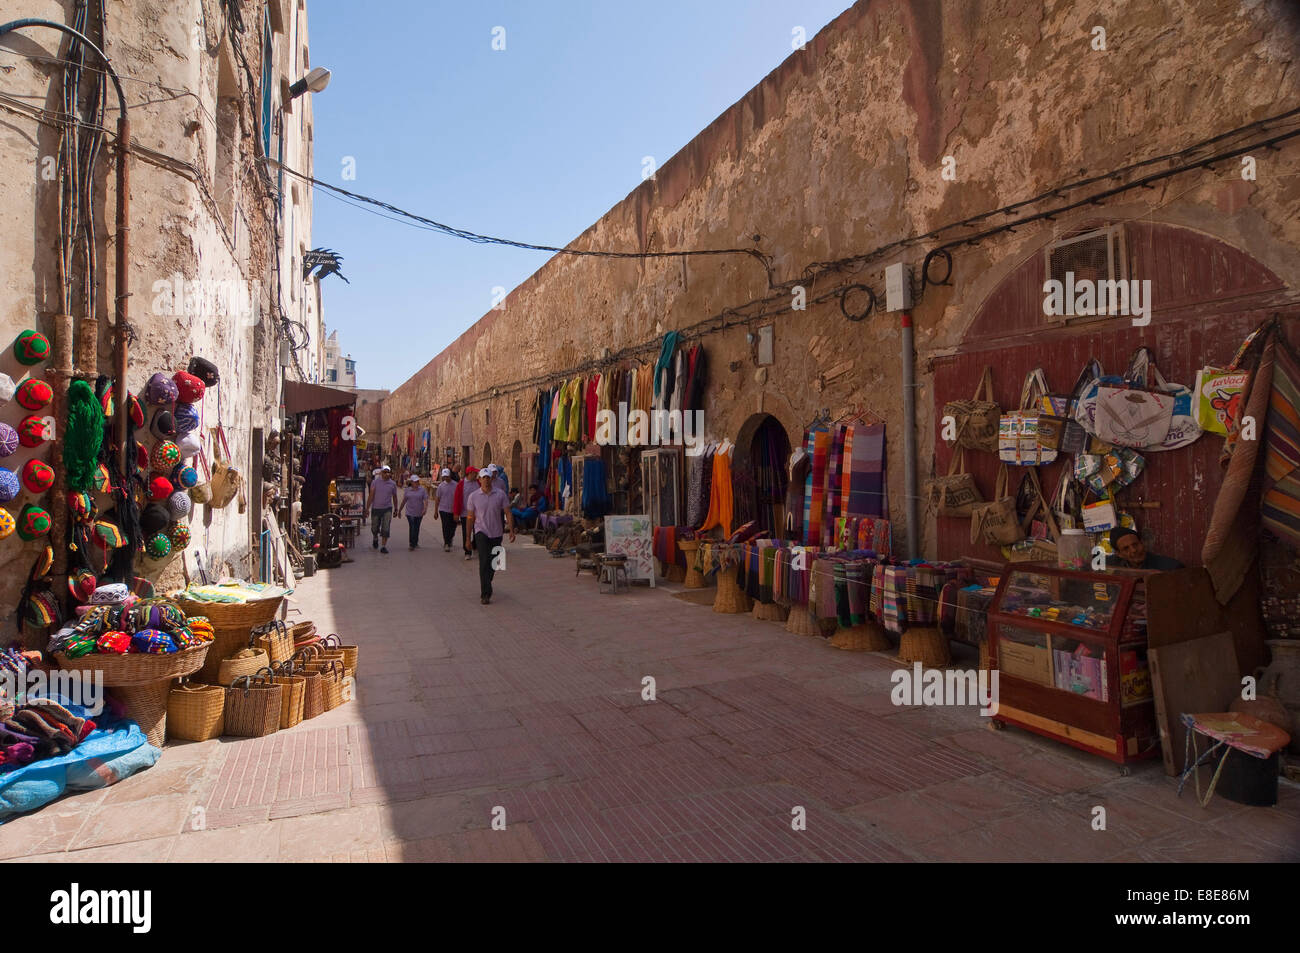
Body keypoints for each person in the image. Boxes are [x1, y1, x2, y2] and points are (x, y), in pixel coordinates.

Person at [465, 465, 515, 605]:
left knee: (496, 563)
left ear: (491, 479)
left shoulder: (500, 494)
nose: (486, 480)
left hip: (497, 532)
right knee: (484, 560)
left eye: (488, 477)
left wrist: (511, 530)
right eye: (484, 477)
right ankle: (485, 594)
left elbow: (508, 513)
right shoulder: (473, 497)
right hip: (481, 532)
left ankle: (488, 580)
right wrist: (468, 538)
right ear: (479, 480)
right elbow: (470, 518)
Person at [1108, 527, 1184, 571]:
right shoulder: (1111, 565)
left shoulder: (1170, 568)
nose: (1134, 550)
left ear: (1142, 543)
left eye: (1135, 544)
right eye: (1126, 548)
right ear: (1119, 554)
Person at [366, 465, 398, 554]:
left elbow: (394, 497)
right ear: (381, 473)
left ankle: (383, 546)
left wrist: (396, 509)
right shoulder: (375, 482)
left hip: (387, 509)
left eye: (388, 472)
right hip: (376, 508)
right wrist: (367, 508)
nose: (387, 474)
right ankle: (375, 537)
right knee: (374, 528)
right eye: (385, 472)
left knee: (386, 528)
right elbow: (371, 496)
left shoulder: (392, 484)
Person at [452, 466, 479, 560]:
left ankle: (475, 545)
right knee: (466, 532)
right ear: (469, 473)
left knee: (478, 531)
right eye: (474, 473)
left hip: (478, 513)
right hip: (465, 513)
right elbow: (457, 499)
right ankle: (467, 551)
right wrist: (456, 513)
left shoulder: (478, 483)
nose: (476, 475)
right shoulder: (461, 484)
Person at [399, 474, 430, 551]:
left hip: (419, 512)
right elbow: (404, 501)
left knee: (417, 527)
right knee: (412, 527)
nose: (417, 483)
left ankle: (415, 542)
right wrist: (399, 510)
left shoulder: (422, 490)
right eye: (415, 481)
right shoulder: (407, 490)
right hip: (410, 512)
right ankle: (411, 544)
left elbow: (425, 500)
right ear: (412, 482)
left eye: (417, 481)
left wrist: (425, 509)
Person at [434, 468, 458, 551]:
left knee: (453, 526)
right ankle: (446, 543)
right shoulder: (441, 486)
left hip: (453, 510)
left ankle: (450, 538)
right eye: (444, 477)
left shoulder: (455, 485)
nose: (446, 478)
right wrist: (435, 511)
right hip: (443, 509)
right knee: (445, 526)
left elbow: (458, 498)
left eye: (447, 476)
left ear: (450, 476)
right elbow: (437, 498)